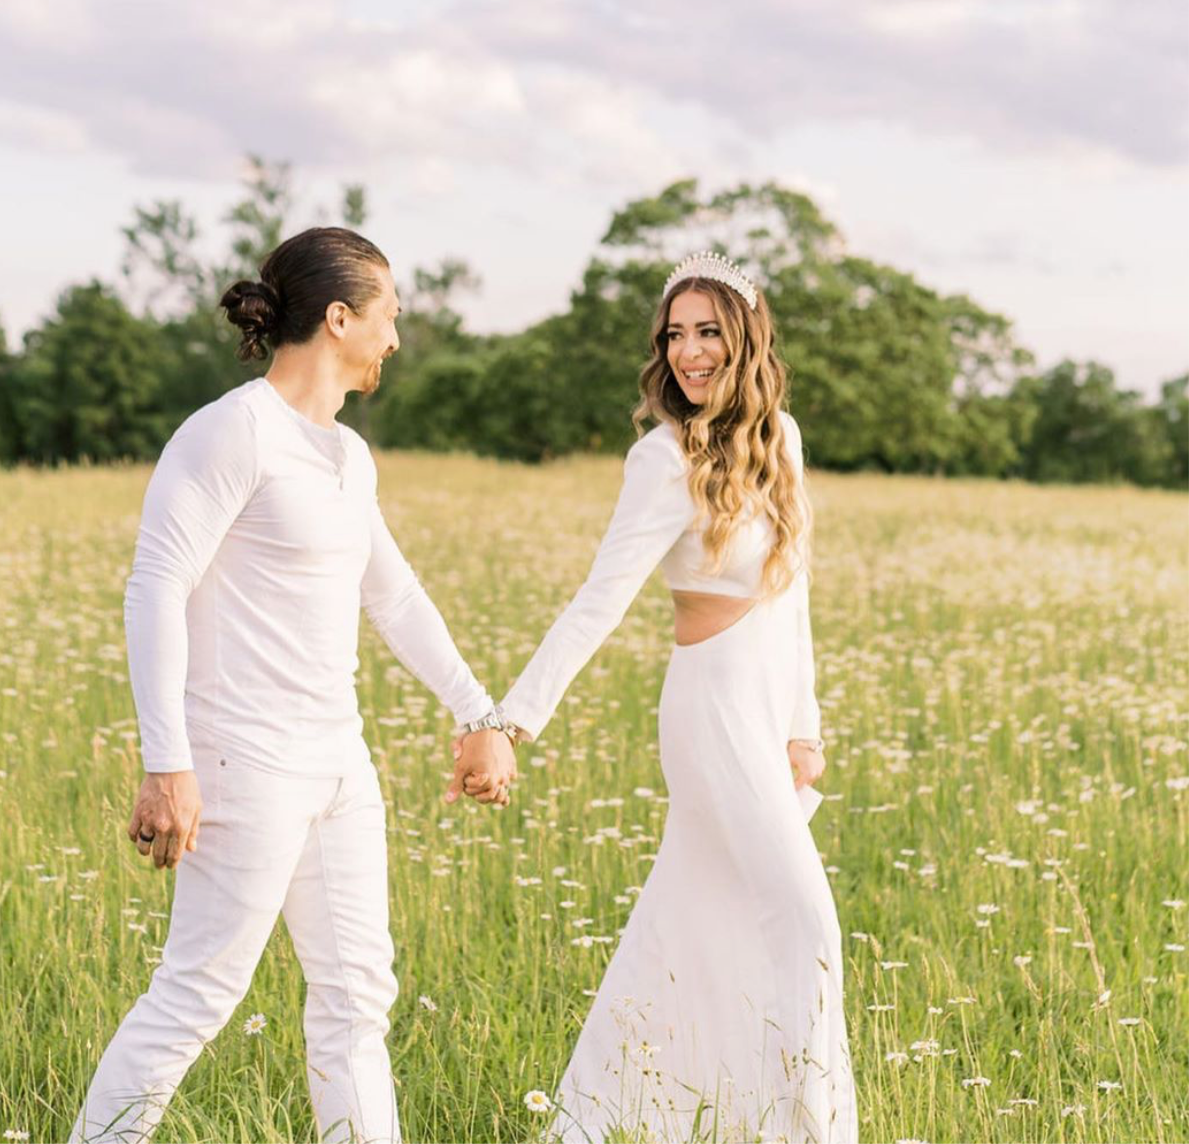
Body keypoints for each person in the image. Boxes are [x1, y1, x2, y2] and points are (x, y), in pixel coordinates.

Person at [68, 227, 517, 1144]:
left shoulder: (349, 456)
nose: (397, 334)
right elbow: (155, 586)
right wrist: (168, 763)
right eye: (389, 311)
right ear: (340, 317)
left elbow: (394, 595)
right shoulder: (232, 431)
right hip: (243, 760)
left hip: (336, 764)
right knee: (197, 993)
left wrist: (480, 713)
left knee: (359, 995)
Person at [494, 251, 857, 1143]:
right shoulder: (661, 458)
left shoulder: (785, 438)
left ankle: (658, 1114)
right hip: (710, 712)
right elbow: (598, 598)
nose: (689, 352)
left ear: (744, 339)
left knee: (701, 915)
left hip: (767, 700)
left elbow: (795, 585)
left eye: (706, 332)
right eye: (674, 334)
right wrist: (512, 719)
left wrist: (804, 725)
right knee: (806, 917)